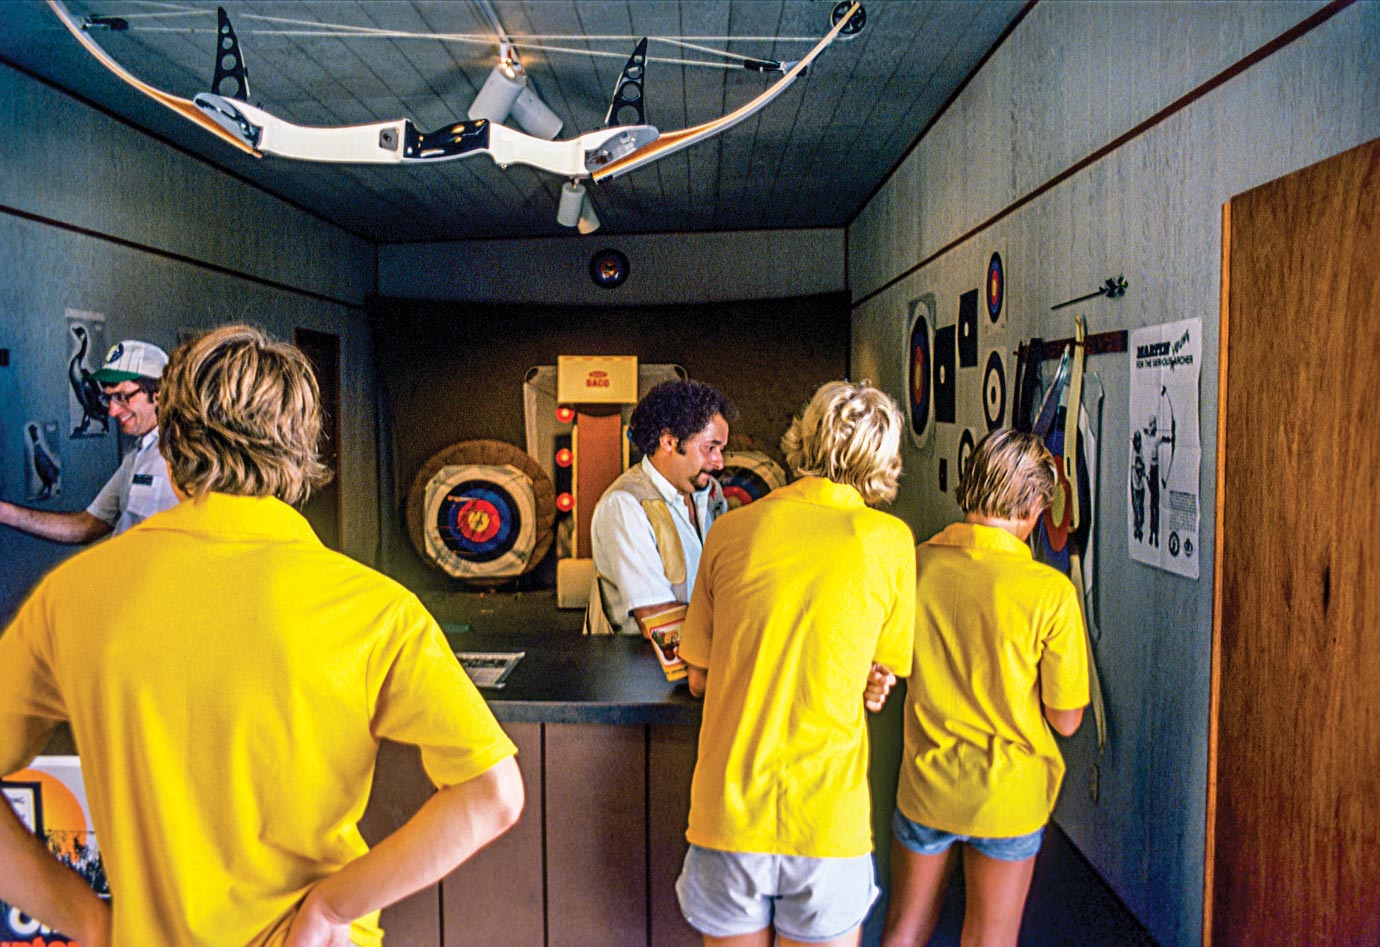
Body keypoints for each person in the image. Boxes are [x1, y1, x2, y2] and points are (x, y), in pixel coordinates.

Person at [0, 324, 524, 947]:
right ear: (302, 451)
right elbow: (492, 795)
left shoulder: (73, 596)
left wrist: (83, 918)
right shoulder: (375, 609)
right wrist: (330, 909)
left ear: (171, 442)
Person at [676, 380, 917, 947]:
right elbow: (881, 671)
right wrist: (868, 679)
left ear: (803, 437)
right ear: (883, 457)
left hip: (729, 816)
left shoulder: (731, 529)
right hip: (828, 825)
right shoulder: (890, 542)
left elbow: (700, 677)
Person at [881, 428, 1090, 947]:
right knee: (989, 937)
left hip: (926, 782)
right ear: (1038, 503)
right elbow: (1066, 719)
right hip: (1006, 795)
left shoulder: (916, 565)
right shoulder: (1050, 593)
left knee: (904, 928)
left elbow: (890, 664)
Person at [585, 379, 735, 636]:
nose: (719, 462)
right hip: (639, 670)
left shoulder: (711, 495)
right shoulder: (625, 505)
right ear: (668, 441)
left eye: (721, 449)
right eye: (710, 448)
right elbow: (656, 620)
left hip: (698, 663)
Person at [0, 339, 178, 543]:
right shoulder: (136, 456)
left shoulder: (189, 455)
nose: (112, 411)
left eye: (121, 396)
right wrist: (5, 513)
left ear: (159, 394)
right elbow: (87, 525)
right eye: (109, 398)